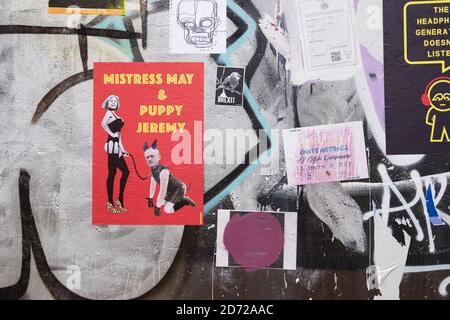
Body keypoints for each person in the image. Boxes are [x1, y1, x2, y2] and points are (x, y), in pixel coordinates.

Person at [144, 140, 196, 216]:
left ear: (158, 157)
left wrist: (157, 207)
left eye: (152, 156)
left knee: (167, 210)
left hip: (179, 188)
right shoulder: (153, 171)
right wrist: (150, 198)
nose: (149, 159)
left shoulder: (164, 171)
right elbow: (152, 185)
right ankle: (178, 199)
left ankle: (184, 201)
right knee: (160, 202)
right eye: (147, 157)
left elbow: (162, 191)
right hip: (170, 192)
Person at [101, 95, 130, 214]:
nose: (113, 103)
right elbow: (103, 124)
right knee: (112, 174)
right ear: (107, 104)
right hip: (112, 146)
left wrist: (123, 149)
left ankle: (119, 200)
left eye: (115, 101)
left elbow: (119, 135)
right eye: (111, 101)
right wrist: (111, 134)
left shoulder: (116, 116)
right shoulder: (108, 113)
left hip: (117, 147)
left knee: (125, 172)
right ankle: (110, 202)